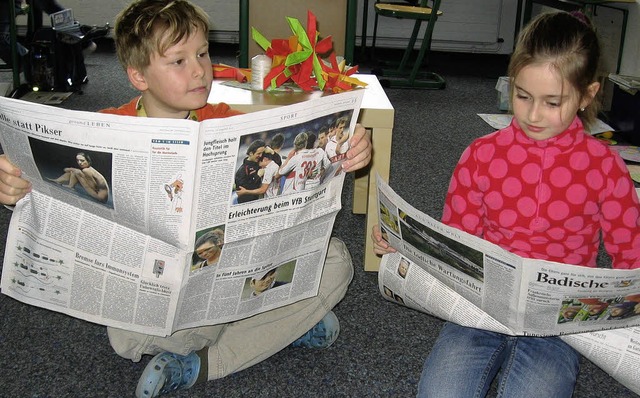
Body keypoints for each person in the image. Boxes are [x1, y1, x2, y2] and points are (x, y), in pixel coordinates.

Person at [0, 1, 372, 397]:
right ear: (137, 75)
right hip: (163, 285)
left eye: (202, 53)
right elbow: (50, 203)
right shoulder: (108, 128)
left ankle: (203, 364)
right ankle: (282, 325)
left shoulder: (228, 122)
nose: (199, 69)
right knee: (126, 340)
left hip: (231, 272)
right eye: (178, 61)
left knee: (335, 263)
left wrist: (352, 150)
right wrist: (13, 190)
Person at [372, 11, 640, 398]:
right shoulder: (481, 155)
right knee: (439, 392)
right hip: (480, 309)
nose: (533, 114)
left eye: (552, 102)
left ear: (587, 96)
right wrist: (405, 249)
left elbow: (629, 253)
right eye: (523, 96)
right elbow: (456, 240)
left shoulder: (606, 166)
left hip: (555, 324)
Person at [234, 138, 265, 203]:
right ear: (251, 153)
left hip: (260, 200)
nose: (261, 156)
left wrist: (271, 151)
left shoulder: (260, 161)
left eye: (262, 153)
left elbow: (277, 162)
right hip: (248, 204)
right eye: (258, 153)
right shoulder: (242, 170)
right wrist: (257, 176)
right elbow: (241, 191)